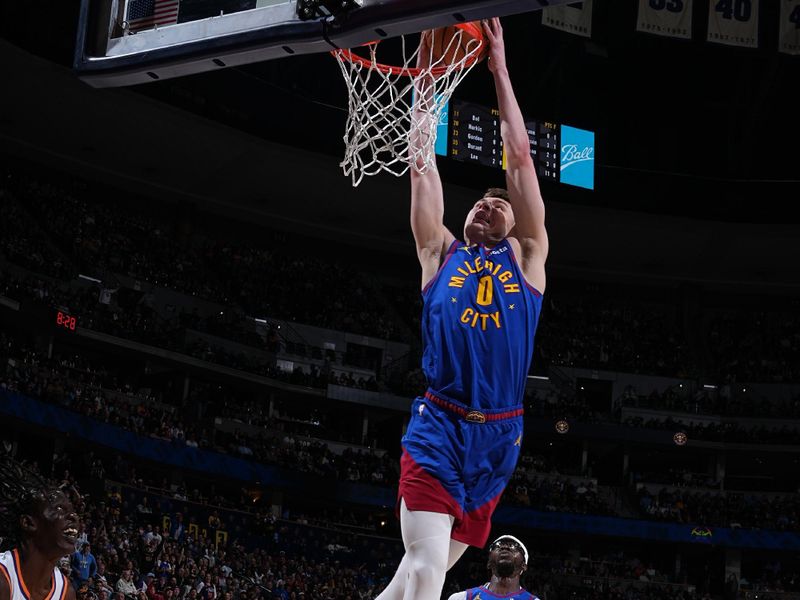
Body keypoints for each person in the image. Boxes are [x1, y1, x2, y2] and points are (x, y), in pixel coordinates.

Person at [376, 17, 548, 600]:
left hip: (499, 439)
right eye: (478, 202)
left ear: (514, 223)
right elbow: (422, 159)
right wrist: (427, 74)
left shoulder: (527, 260)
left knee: (412, 579)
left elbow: (520, 158)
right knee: (425, 569)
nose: (484, 205)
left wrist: (499, 70)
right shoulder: (438, 252)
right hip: (439, 425)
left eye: (496, 205)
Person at [0, 454, 79, 600]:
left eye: (73, 511)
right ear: (28, 523)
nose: (74, 516)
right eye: (60, 509)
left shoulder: (66, 592)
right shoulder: (3, 579)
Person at [448, 535, 537, 600]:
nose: (505, 547)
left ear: (524, 566)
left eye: (514, 546)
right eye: (497, 545)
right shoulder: (461, 598)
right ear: (489, 563)